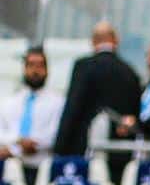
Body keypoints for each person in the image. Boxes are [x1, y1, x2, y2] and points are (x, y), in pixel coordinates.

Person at [53, 23, 140, 158]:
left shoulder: (83, 67)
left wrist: (59, 149)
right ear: (116, 40)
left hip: (82, 151)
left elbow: (72, 109)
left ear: (93, 41)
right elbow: (134, 116)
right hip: (117, 155)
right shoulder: (130, 72)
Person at [0, 47, 59, 163]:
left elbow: (54, 135)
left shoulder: (58, 103)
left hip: (42, 166)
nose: (35, 70)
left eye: (40, 66)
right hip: (9, 165)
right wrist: (18, 140)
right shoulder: (9, 102)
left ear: (47, 70)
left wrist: (16, 149)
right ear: (24, 69)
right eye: (31, 65)